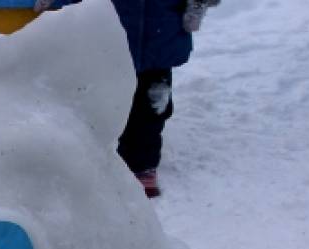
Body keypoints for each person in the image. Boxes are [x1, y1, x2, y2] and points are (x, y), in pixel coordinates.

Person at [35, 0, 220, 198]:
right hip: (109, 34)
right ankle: (96, 163)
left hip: (160, 34)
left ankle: (142, 167)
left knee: (152, 109)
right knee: (101, 104)